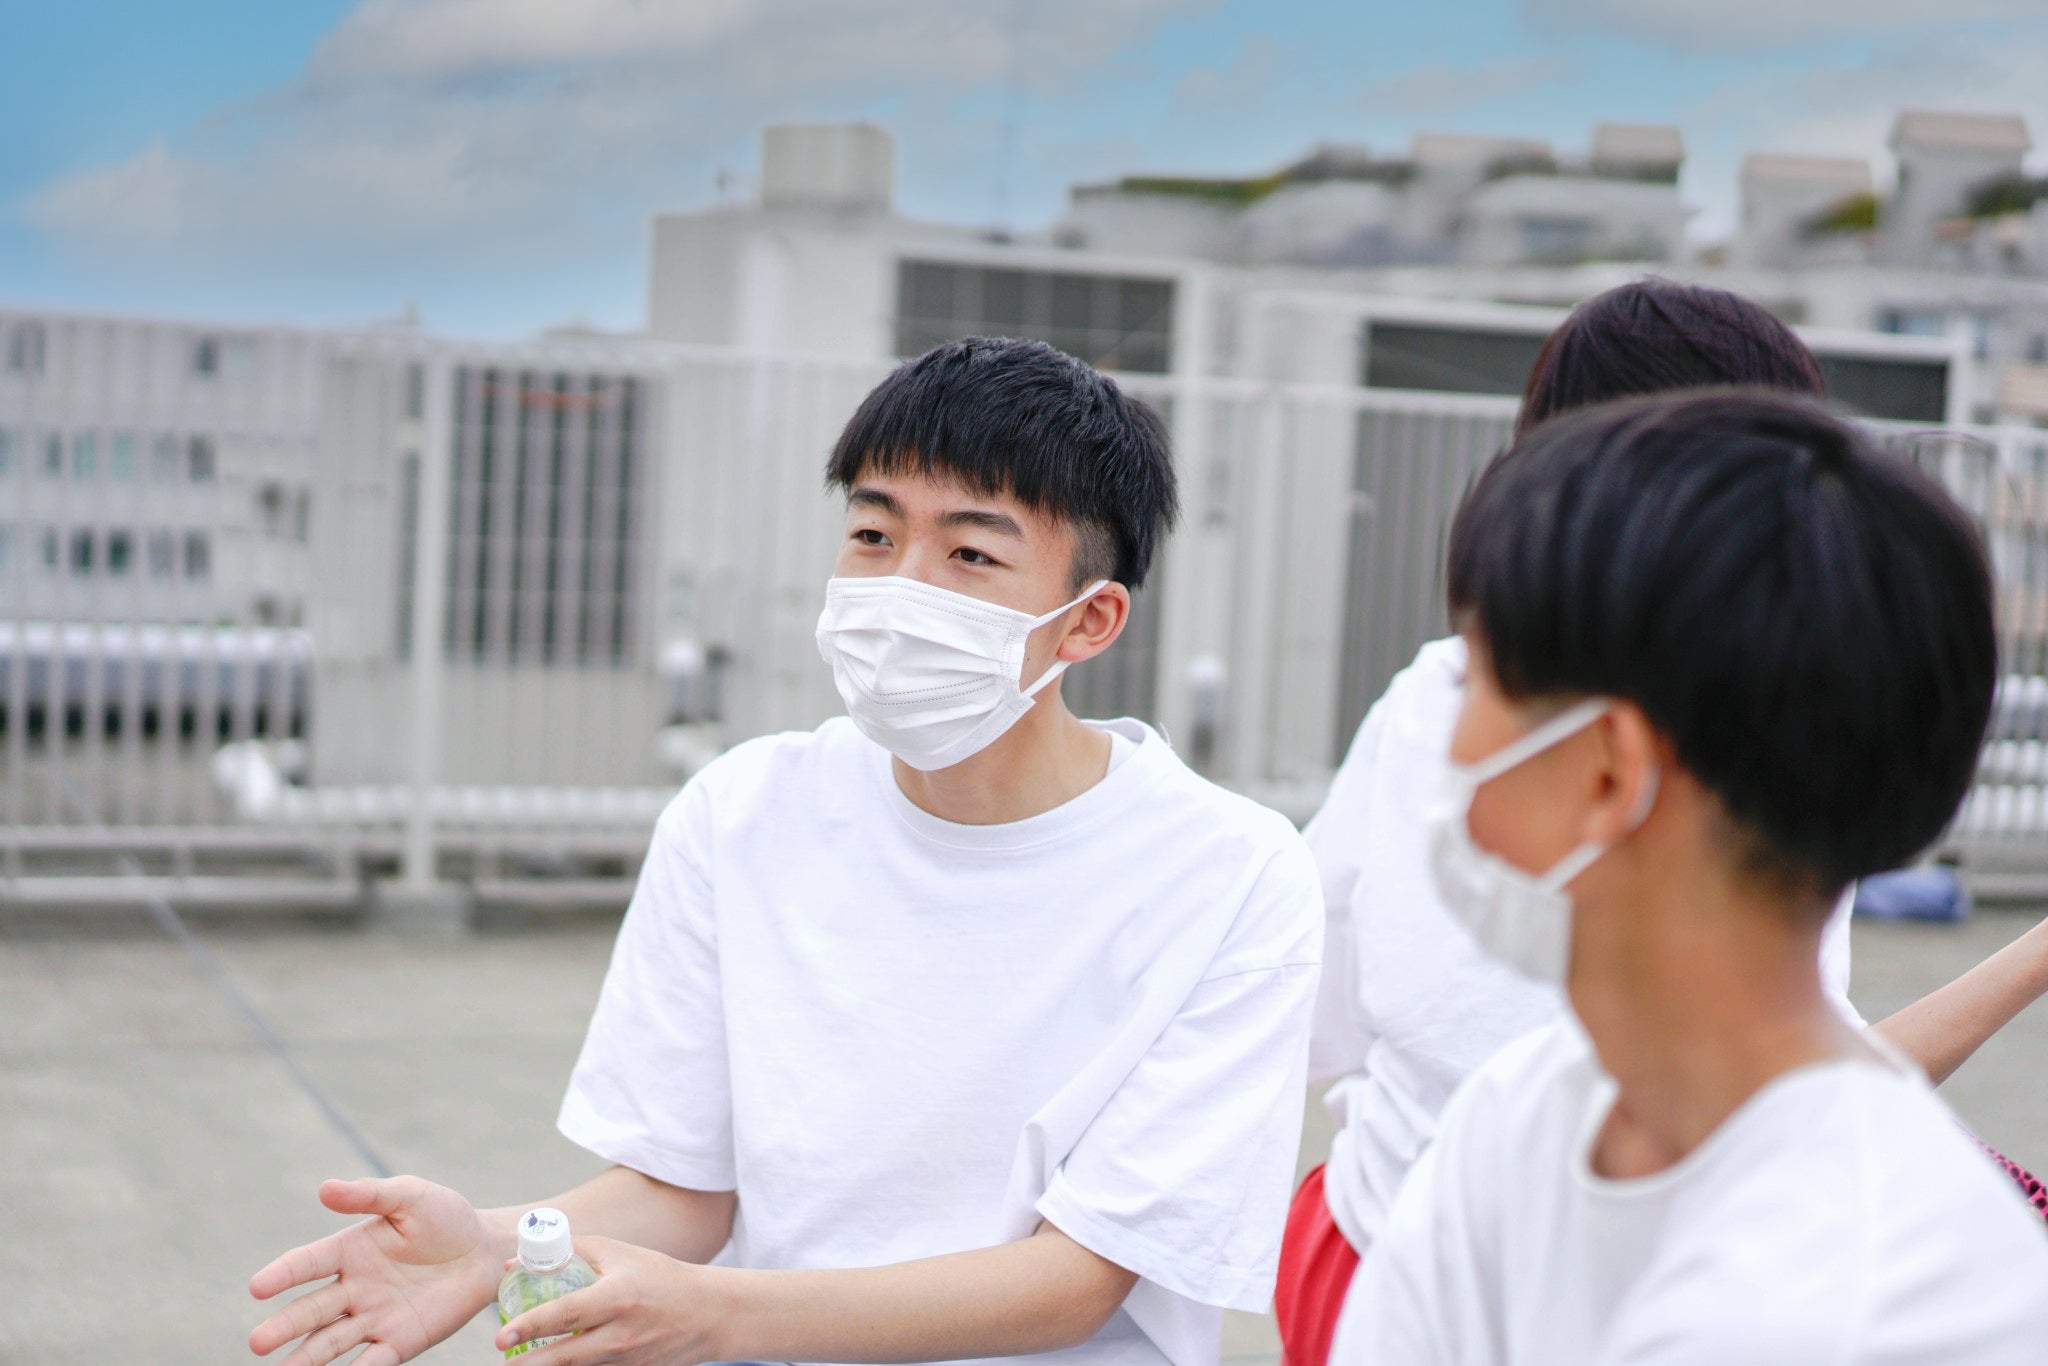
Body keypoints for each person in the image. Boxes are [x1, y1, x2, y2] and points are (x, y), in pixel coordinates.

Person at [247, 337, 1323, 1366]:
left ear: (1089, 621)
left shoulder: (1228, 874)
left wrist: (719, 1317)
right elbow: (685, 1191)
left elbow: (1077, 1279)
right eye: (874, 535)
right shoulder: (742, 812)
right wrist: (494, 1247)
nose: (901, 588)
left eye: (970, 554)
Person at [1279, 279, 2048, 1366]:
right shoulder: (1526, 1115)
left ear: (1610, 771)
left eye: (1485, 679)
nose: (1447, 734)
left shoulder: (1881, 1302)